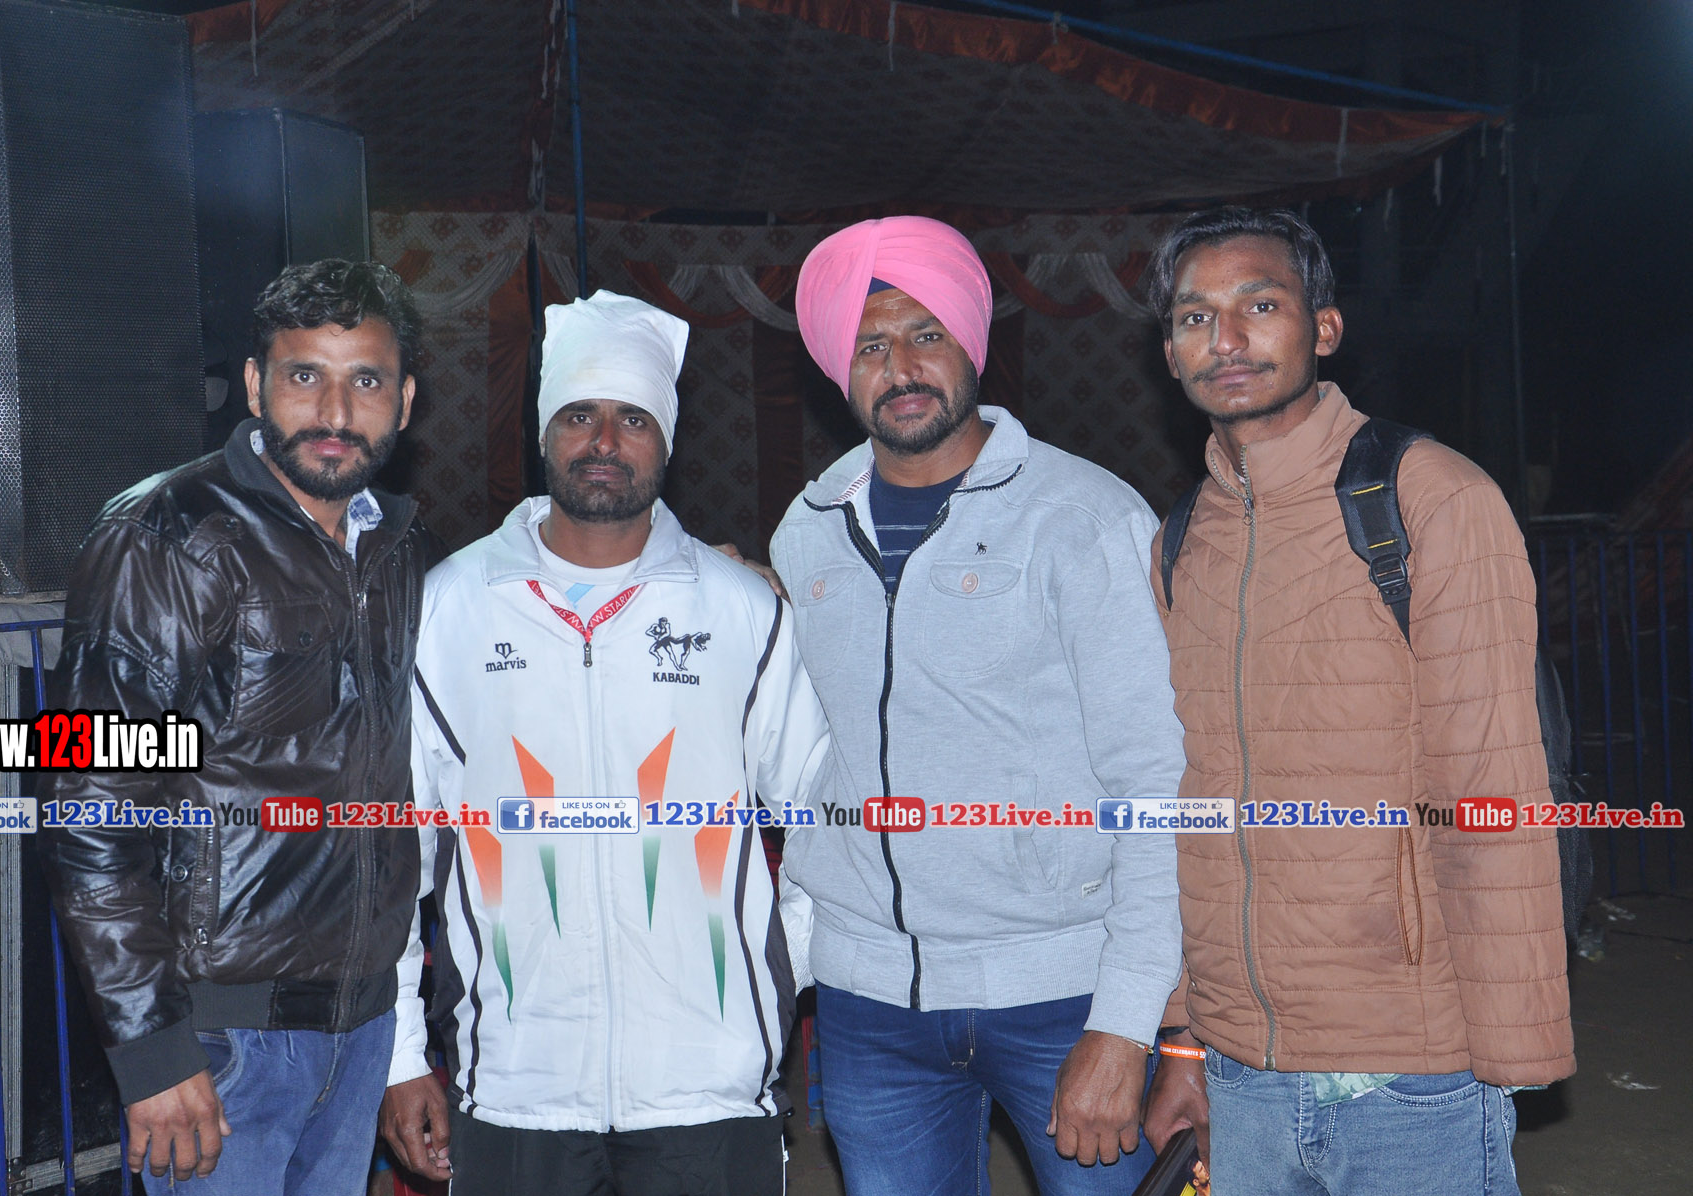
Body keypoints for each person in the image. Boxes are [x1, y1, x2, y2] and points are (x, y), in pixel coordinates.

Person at [1138, 206, 1574, 1195]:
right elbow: (1183, 808)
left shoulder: (1429, 500)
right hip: (1243, 1068)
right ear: (1169, 354)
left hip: (1412, 1070)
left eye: (1260, 305)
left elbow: (1493, 788)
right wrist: (1185, 1037)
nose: (1227, 338)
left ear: (1324, 327)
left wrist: (1509, 1056)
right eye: (1196, 317)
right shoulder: (1182, 541)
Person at [378, 290, 831, 1196]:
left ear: (667, 441)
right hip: (514, 1086)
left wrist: (772, 977)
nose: (604, 441)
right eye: (579, 414)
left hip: (710, 1089)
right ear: (544, 433)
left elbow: (822, 818)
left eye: (634, 419)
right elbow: (398, 849)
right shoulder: (452, 607)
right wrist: (400, 1053)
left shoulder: (740, 610)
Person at [769, 215, 1186, 1196]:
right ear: (840, 370)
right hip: (870, 1002)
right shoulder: (809, 530)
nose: (901, 367)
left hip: (1064, 993)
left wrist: (1130, 1022)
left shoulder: (1083, 518)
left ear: (970, 342)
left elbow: (1158, 783)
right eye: (871, 346)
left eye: (926, 334)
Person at [38, 260, 431, 1193]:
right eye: (304, 376)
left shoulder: (398, 547)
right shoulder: (166, 533)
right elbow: (88, 801)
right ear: (256, 386)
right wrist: (152, 1048)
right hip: (220, 1043)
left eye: (365, 380)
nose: (335, 410)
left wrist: (400, 1034)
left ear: (405, 401)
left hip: (360, 1030)